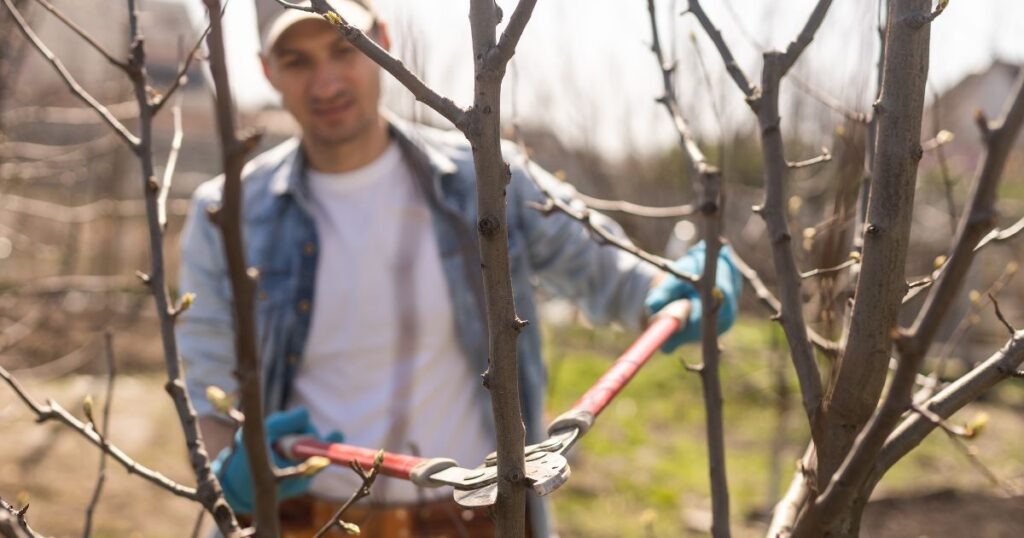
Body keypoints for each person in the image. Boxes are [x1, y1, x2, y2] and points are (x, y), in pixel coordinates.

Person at [176, 0, 742, 536]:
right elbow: (209, 388)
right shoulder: (225, 214)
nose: (325, 83)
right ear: (267, 72)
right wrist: (233, 470)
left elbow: (608, 272)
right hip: (306, 519)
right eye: (297, 61)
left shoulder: (485, 178)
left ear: (382, 42)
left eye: (343, 48)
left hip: (472, 519)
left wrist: (683, 286)